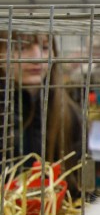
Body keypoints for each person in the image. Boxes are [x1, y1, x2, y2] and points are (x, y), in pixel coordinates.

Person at [2, 30, 83, 192]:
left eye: (45, 47)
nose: (37, 57)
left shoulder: (68, 113)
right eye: (22, 48)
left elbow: (77, 184)